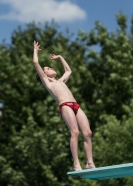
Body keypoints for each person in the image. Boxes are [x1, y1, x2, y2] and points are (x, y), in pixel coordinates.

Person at [33, 40, 95, 171]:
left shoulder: (60, 81)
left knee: (88, 133)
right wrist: (35, 51)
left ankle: (89, 162)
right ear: (44, 74)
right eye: (48, 69)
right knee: (75, 132)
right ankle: (76, 163)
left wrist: (60, 57)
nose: (51, 68)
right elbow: (35, 63)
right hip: (65, 105)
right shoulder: (48, 83)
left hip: (75, 105)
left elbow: (68, 71)